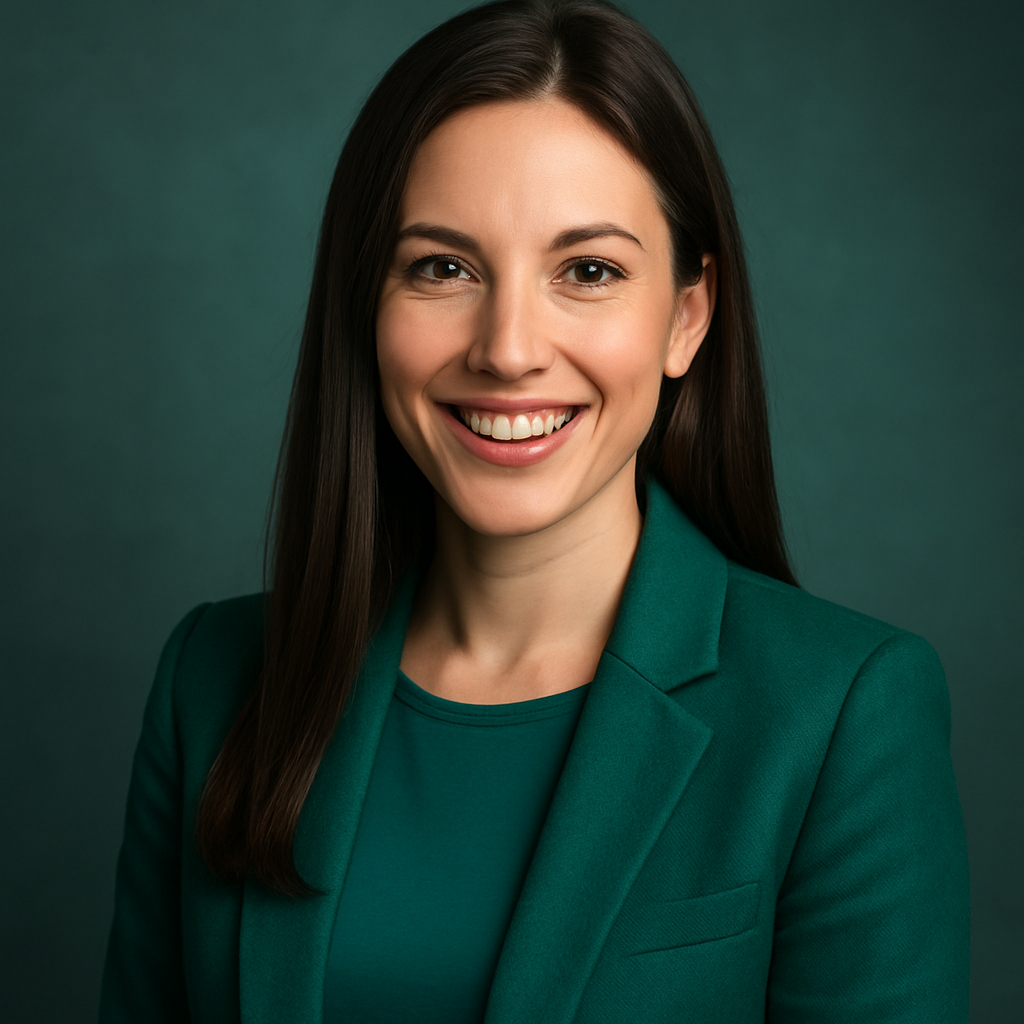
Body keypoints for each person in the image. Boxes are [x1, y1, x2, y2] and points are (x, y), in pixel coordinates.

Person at [99, 1, 970, 1021]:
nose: (507, 348)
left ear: (686, 315)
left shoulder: (842, 715)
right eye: (443, 267)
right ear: (364, 304)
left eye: (587, 271)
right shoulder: (211, 679)